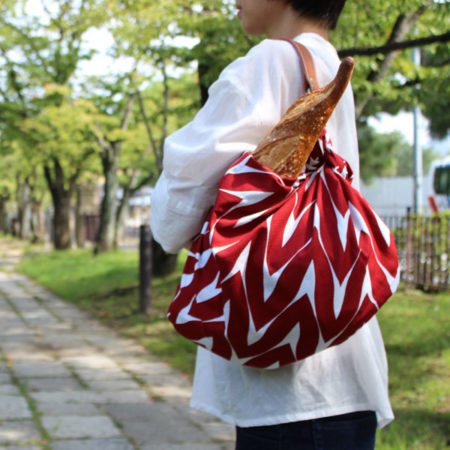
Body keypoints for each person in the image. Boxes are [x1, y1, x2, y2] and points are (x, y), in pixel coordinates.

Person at [150, 0, 394, 448]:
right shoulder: (327, 64)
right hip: (343, 376)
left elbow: (173, 216)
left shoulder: (270, 61)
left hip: (291, 398)